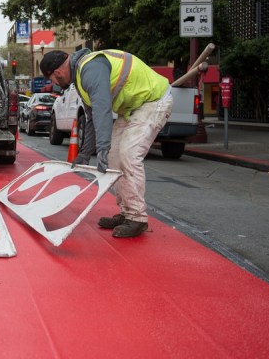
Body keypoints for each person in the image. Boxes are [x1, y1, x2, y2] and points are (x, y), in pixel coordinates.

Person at [40, 48, 173, 238]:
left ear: (57, 72)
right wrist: (85, 153)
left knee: (128, 155)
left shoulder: (90, 69)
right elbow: (92, 117)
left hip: (153, 101)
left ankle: (137, 218)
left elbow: (102, 109)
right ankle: (127, 212)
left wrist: (102, 148)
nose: (52, 83)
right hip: (132, 107)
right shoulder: (79, 78)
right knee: (114, 158)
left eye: (51, 79)